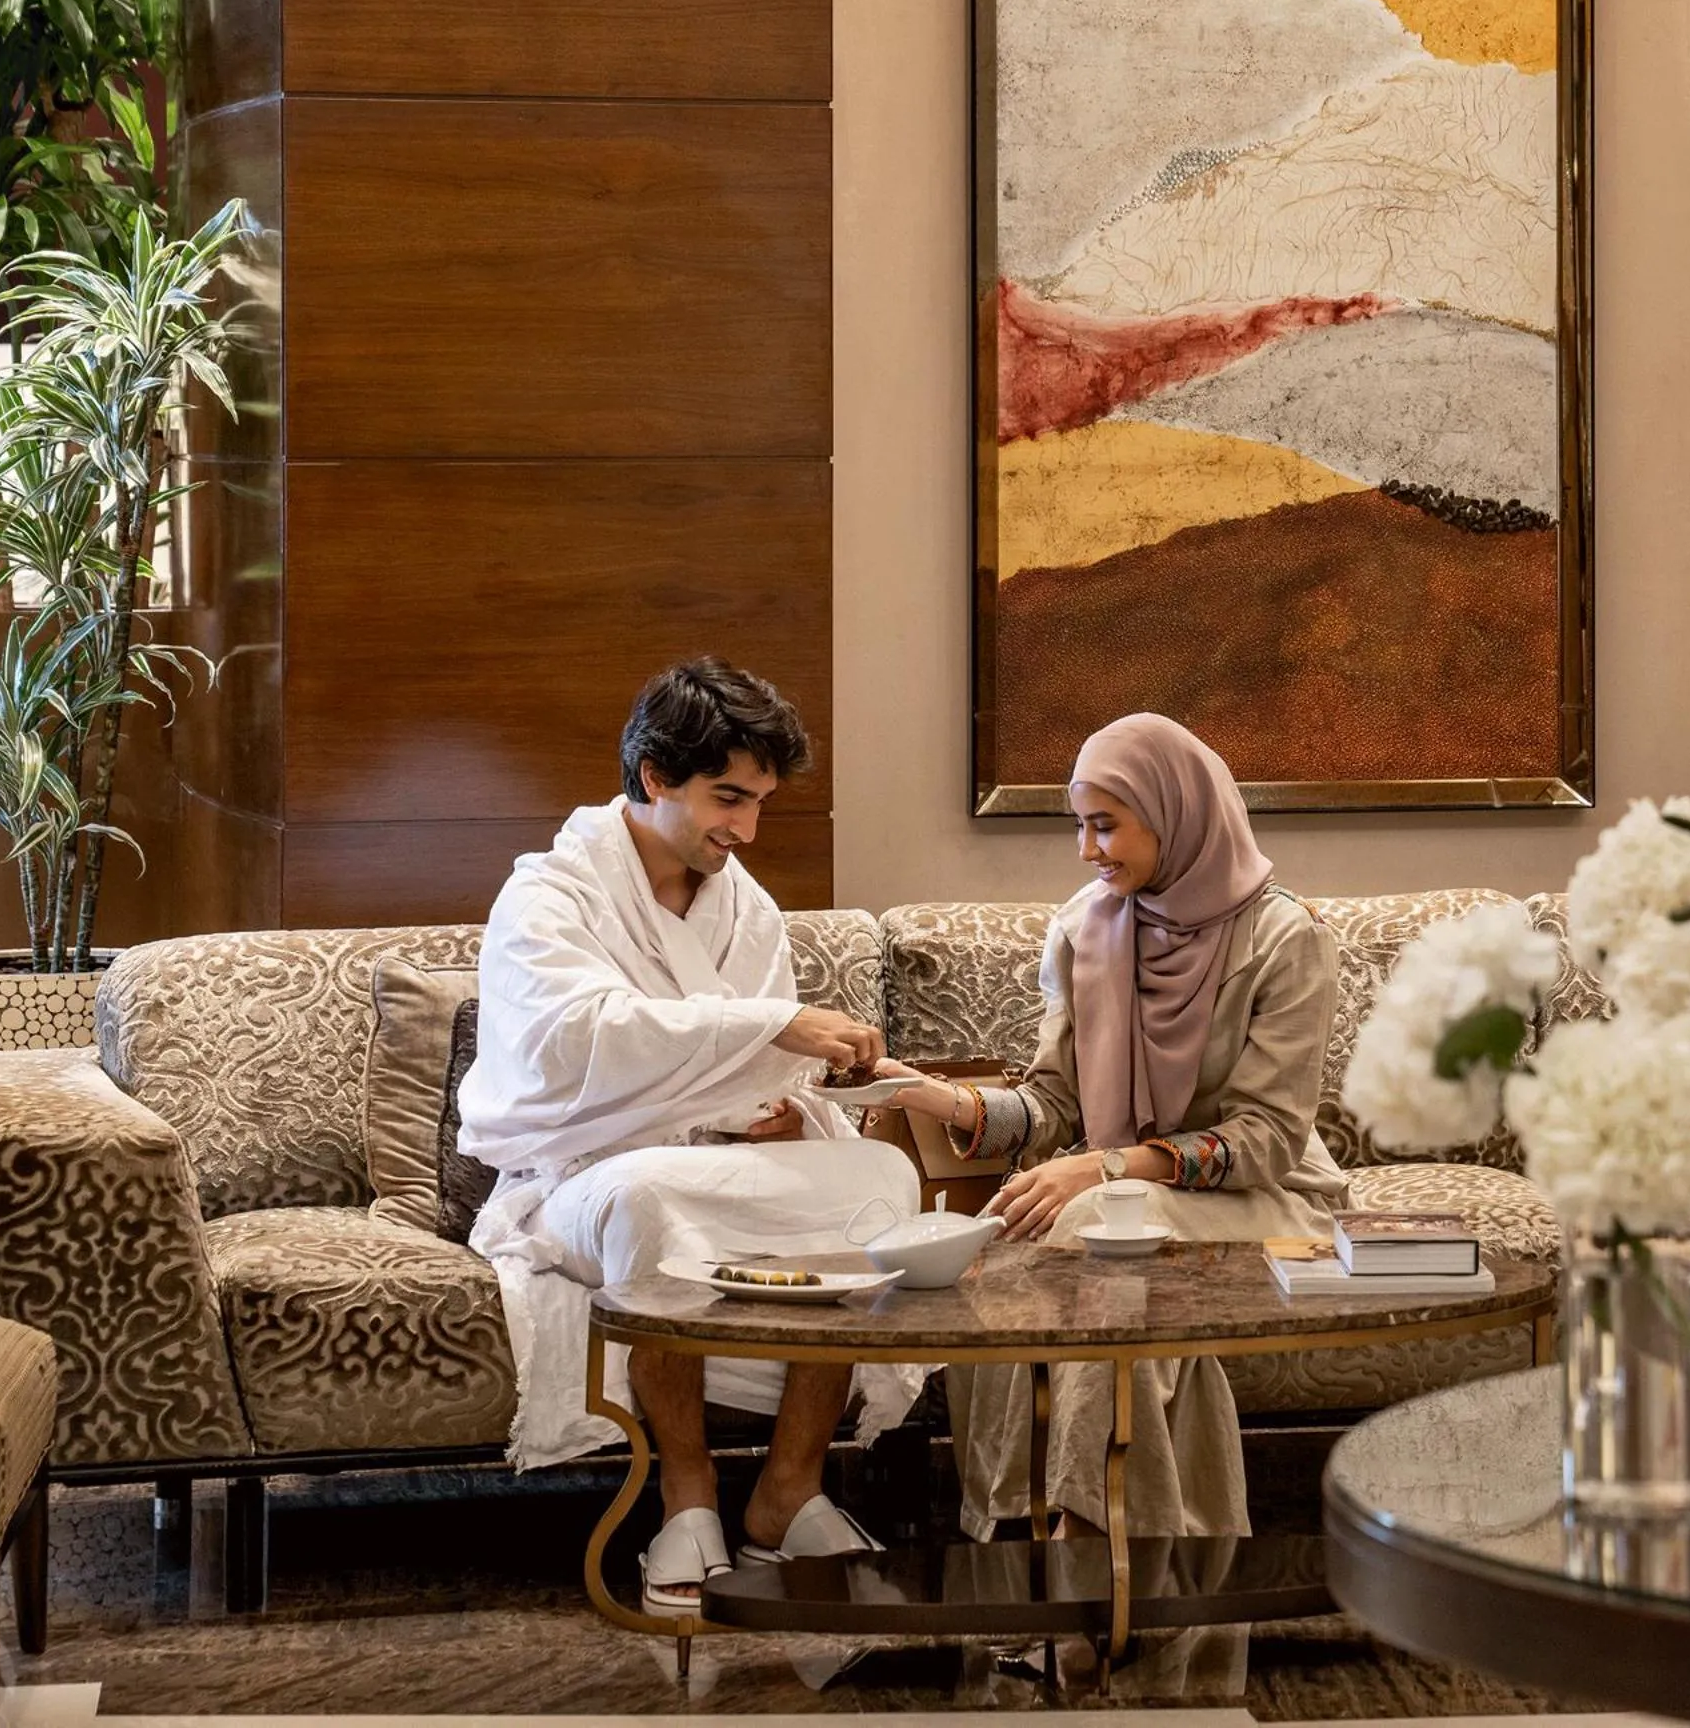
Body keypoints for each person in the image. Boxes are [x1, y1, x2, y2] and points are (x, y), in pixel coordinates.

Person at [457, 658, 921, 1614]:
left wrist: (785, 1108)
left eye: (759, 805)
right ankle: (686, 1498)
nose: (744, 830)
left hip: (719, 1166)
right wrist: (769, 1028)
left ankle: (789, 1490)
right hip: (586, 1176)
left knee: (880, 1177)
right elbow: (574, 1037)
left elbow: (747, 1074)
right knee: (648, 1196)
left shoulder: (741, 903)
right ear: (655, 775)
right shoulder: (546, 899)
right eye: (727, 799)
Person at [880, 712, 1349, 1540]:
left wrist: (1105, 1170)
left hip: (1268, 1196)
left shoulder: (1286, 938)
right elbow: (1054, 1106)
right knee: (992, 1245)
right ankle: (1013, 1532)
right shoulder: (1086, 929)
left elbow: (1267, 1138)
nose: (1087, 851)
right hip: (1128, 1197)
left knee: (1099, 1225)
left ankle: (1088, 1534)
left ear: (1175, 814)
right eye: (1080, 826)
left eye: (1105, 826)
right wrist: (932, 1096)